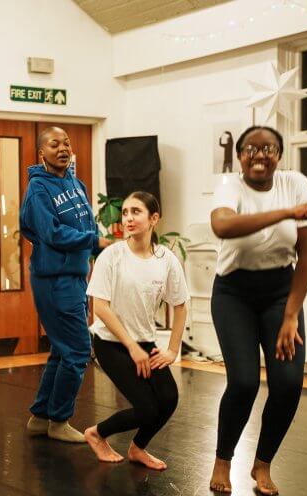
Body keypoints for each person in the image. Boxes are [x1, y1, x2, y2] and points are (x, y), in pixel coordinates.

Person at [208, 125, 307, 496]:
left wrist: (290, 315)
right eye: (251, 149)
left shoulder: (296, 183)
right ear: (240, 156)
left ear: (280, 156)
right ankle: (223, 460)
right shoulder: (229, 186)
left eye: (269, 148)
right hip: (233, 293)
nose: (260, 155)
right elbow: (223, 226)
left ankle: (262, 464)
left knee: (288, 383)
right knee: (243, 382)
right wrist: (285, 212)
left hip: (279, 294)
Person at [83, 191, 188, 468]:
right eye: (126, 211)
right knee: (146, 408)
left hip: (145, 341)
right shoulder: (112, 256)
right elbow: (100, 308)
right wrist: (131, 347)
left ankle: (138, 448)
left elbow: (180, 305)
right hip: (110, 341)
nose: (128, 217)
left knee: (168, 398)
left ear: (154, 218)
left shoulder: (166, 259)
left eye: (136, 212)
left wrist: (173, 350)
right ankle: (96, 434)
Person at [20, 126, 109, 443]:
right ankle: (59, 421)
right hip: (53, 279)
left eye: (66, 143)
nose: (62, 148)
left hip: (75, 277)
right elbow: (51, 233)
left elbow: (87, 226)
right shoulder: (38, 190)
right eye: (53, 144)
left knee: (62, 350)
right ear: (41, 153)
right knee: (78, 350)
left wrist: (105, 247)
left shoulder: (76, 183)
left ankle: (41, 416)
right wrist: (93, 240)